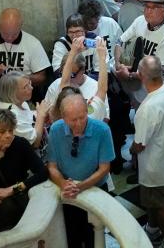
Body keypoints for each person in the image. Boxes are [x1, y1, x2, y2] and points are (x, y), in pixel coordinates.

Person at [46, 92, 115, 247]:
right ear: (63, 117)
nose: (78, 124)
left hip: (95, 189)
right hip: (67, 192)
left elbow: (104, 168)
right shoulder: (56, 130)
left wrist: (80, 186)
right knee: (71, 235)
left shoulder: (102, 130)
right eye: (73, 120)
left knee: (93, 235)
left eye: (82, 117)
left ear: (87, 112)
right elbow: (52, 166)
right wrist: (64, 184)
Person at [130, 55, 164, 248]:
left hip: (154, 164)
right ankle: (152, 228)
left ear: (142, 75)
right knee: (152, 199)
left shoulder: (148, 108)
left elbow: (140, 144)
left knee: (160, 204)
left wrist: (131, 149)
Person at [115, 0, 164, 103]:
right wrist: (119, 65)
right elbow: (120, 41)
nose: (148, 11)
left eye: (154, 8)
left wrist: (130, 75)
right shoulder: (140, 20)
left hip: (153, 93)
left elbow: (162, 72)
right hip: (133, 81)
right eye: (146, 7)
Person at [0, 8, 51, 88]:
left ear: (21, 26)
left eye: (14, 34)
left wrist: (18, 78)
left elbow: (42, 78)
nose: (9, 38)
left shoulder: (33, 43)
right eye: (5, 34)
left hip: (23, 97)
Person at [0, 71, 49, 148]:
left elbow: (29, 119)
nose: (31, 88)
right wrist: (41, 116)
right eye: (26, 87)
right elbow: (35, 143)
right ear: (12, 92)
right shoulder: (10, 115)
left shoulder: (22, 103)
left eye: (29, 83)